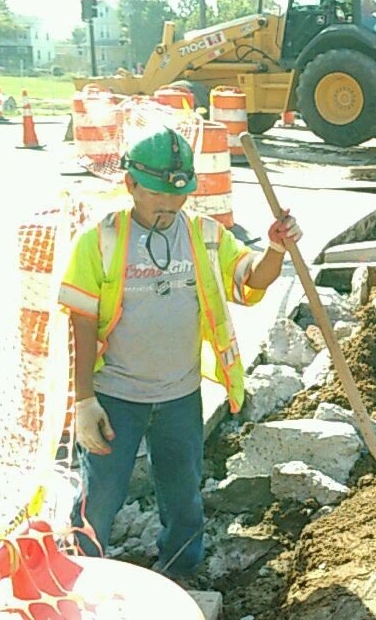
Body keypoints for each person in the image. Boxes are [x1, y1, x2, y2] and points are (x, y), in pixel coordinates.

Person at [57, 125, 302, 583]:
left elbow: (251, 278)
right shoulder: (102, 239)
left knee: (183, 493)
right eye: (157, 196)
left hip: (179, 397)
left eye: (179, 196)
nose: (169, 206)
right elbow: (82, 320)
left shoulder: (204, 235)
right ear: (131, 184)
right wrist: (85, 400)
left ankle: (181, 574)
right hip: (116, 397)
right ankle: (79, 578)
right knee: (102, 494)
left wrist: (275, 247)